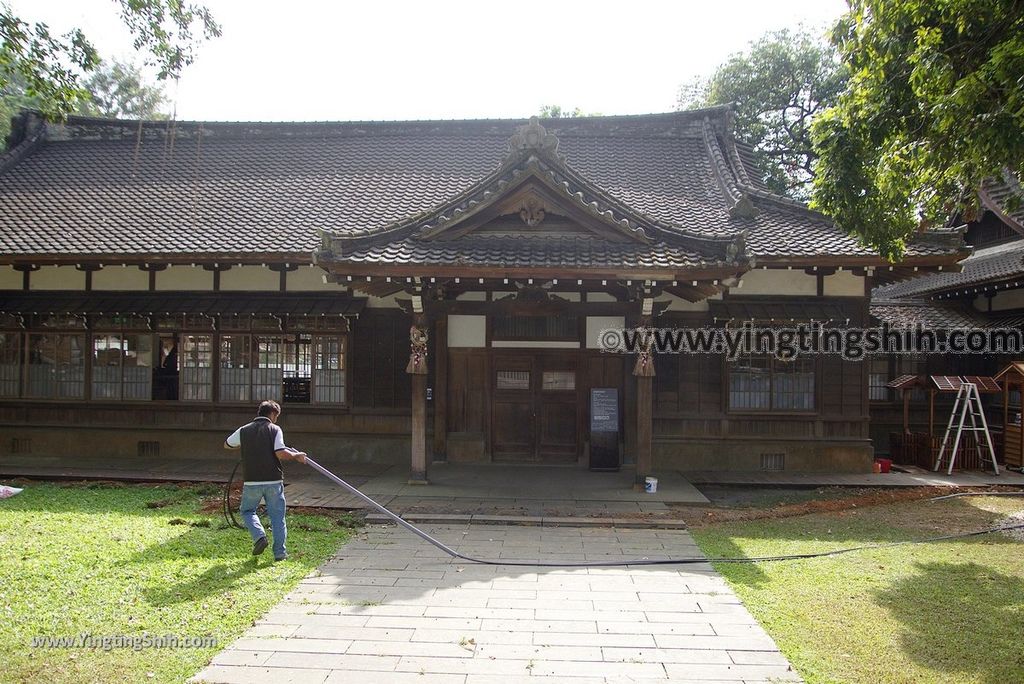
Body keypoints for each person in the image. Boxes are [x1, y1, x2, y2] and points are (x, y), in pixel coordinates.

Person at [224, 400, 306, 560]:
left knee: (247, 511)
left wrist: (245, 445)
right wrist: (296, 456)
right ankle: (280, 554)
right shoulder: (274, 429)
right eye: (277, 416)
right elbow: (280, 452)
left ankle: (260, 536)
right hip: (273, 480)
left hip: (252, 480)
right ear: (273, 414)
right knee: (277, 517)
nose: (276, 419)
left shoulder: (244, 430)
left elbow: (227, 444)